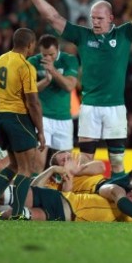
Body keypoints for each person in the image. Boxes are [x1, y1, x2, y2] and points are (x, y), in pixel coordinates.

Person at [23, 0, 132, 178]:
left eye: (100, 18)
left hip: (116, 108)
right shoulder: (83, 36)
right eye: (93, 18)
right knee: (84, 161)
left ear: (111, 18)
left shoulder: (124, 35)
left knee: (117, 162)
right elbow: (53, 17)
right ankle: (82, 200)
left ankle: (117, 202)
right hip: (90, 107)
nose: (95, 22)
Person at [0, 28, 46, 220]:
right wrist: (40, 131)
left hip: (1, 117)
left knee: (14, 165)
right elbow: (33, 102)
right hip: (18, 118)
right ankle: (18, 213)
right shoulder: (25, 66)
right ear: (30, 44)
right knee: (26, 168)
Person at [27, 34, 79, 173]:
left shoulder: (69, 60)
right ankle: (34, 193)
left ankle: (61, 194)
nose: (48, 58)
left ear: (58, 49)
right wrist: (46, 81)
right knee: (38, 163)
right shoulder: (32, 62)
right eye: (45, 54)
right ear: (40, 51)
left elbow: (69, 86)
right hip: (41, 117)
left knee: (65, 164)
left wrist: (53, 71)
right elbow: (29, 90)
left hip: (64, 118)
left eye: (52, 54)